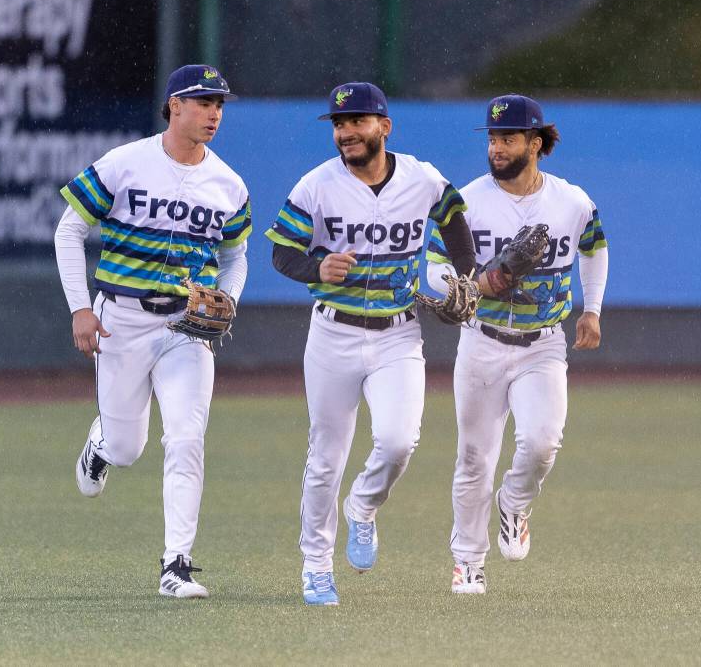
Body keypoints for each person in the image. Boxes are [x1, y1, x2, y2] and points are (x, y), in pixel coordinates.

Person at [266, 82, 478, 606]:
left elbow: (453, 217)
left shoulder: (421, 178)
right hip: (333, 333)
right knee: (325, 459)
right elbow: (281, 253)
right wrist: (318, 266)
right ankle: (316, 566)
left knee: (399, 440)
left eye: (357, 122)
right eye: (339, 124)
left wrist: (467, 275)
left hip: (398, 334)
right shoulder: (316, 186)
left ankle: (362, 507)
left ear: (384, 127)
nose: (346, 132)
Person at [53, 64, 252, 599]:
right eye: (204, 102)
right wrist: (80, 309)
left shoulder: (228, 184)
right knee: (127, 448)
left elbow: (235, 256)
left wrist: (228, 297)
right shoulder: (127, 162)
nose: (214, 113)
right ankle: (101, 444)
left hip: (185, 327)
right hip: (120, 320)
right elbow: (69, 229)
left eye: (220, 104)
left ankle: (176, 565)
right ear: (174, 106)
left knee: (186, 437)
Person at [425, 94, 608, 594]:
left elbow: (594, 246)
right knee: (474, 457)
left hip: (542, 344)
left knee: (542, 443)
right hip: (481, 341)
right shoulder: (468, 201)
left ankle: (516, 501)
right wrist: (480, 283)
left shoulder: (571, 202)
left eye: (507, 138)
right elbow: (434, 269)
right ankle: (467, 560)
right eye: (492, 138)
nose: (497, 147)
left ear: (535, 143)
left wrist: (591, 308)